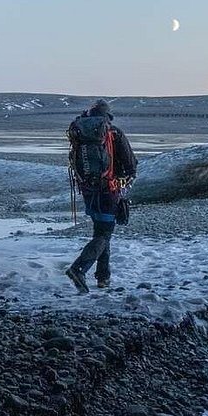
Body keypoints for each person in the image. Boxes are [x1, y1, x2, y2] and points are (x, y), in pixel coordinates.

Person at [65, 100, 137, 292]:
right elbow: (131, 165)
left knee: (101, 232)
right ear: (107, 116)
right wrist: (125, 180)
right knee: (104, 234)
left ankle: (103, 278)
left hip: (88, 190)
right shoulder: (114, 133)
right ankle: (78, 268)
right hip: (109, 190)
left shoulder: (80, 132)